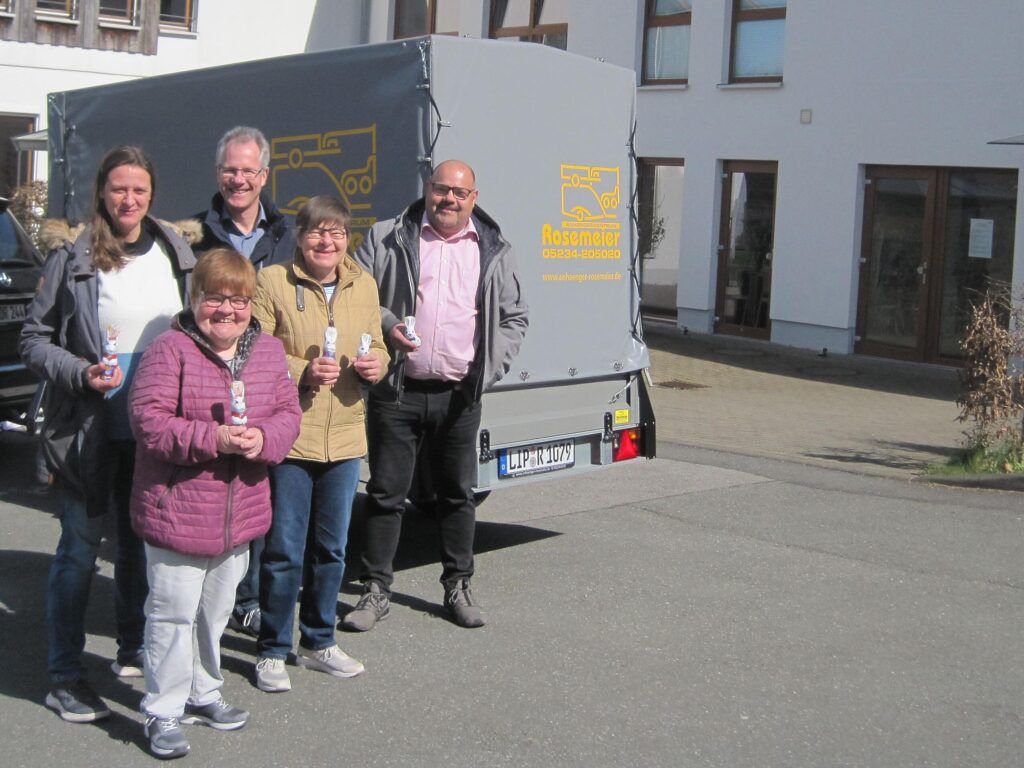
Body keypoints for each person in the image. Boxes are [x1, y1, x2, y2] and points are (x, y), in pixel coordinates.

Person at [19, 146, 195, 722]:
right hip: (89, 434)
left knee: (141, 553)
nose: (129, 200)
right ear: (102, 192)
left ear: (152, 194)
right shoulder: (73, 256)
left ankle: (131, 649)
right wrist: (80, 371)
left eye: (140, 190)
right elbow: (34, 339)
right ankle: (64, 676)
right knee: (78, 553)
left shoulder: (175, 250)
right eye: (119, 189)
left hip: (153, 435)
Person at [128, 248, 301, 759]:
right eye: (215, 298)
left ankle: (204, 691)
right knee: (172, 615)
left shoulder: (268, 351)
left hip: (239, 512)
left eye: (238, 300)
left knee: (216, 613)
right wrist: (215, 438)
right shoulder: (169, 349)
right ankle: (162, 710)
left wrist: (264, 438)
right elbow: (150, 423)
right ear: (195, 297)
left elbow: (289, 413)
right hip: (177, 509)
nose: (226, 310)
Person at [344, 159, 528, 631]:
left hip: (460, 395)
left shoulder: (494, 248)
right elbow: (356, 298)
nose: (448, 199)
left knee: (457, 495)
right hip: (398, 389)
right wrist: (387, 327)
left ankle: (458, 585)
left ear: (474, 198)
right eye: (441, 189)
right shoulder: (388, 236)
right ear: (428, 189)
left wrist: (486, 370)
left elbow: (514, 317)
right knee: (386, 495)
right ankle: (376, 589)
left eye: (458, 193)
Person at [249, 195, 388, 693]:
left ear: (347, 237)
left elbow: (378, 341)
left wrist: (379, 366)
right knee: (284, 549)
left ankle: (318, 639)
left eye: (336, 233)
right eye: (316, 232)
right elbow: (253, 350)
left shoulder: (364, 285)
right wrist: (299, 371)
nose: (326, 242)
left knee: (331, 550)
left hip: (347, 437)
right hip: (292, 436)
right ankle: (271, 648)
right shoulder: (272, 283)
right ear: (299, 236)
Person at [193, 125, 296, 639]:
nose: (239, 179)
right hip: (210, 384)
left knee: (263, 497)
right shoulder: (191, 234)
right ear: (218, 174)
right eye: (230, 170)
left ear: (264, 175)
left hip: (270, 382)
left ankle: (250, 598)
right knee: (215, 494)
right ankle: (211, 599)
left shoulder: (290, 234)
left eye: (248, 171)